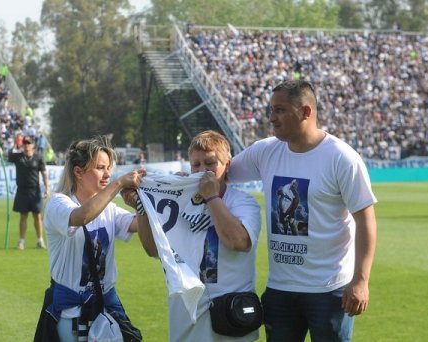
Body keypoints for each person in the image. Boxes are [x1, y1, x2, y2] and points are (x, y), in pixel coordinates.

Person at [228, 80, 378, 341]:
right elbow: (219, 173)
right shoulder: (265, 151)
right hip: (280, 289)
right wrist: (169, 184)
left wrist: (361, 281)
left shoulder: (341, 158)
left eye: (280, 110)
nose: (271, 118)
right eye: (271, 110)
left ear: (306, 112)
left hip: (329, 290)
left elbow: (366, 221)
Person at [133, 130, 262, 341]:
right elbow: (152, 249)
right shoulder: (179, 201)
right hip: (185, 313)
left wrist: (211, 197)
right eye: (196, 165)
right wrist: (142, 209)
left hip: (231, 314)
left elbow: (238, 241)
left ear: (227, 165)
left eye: (210, 163)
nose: (202, 171)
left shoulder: (243, 202)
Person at [39, 135, 146, 341]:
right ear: (78, 172)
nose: (107, 174)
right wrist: (117, 184)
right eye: (100, 168)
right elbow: (82, 216)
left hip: (105, 304)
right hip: (70, 310)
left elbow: (136, 225)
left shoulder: (109, 209)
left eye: (109, 168)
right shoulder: (58, 203)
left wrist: (138, 205)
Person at [7, 135, 51, 250]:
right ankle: (21, 241)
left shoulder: (38, 157)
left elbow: (44, 174)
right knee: (23, 216)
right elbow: (2, 154)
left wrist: (47, 188)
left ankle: (40, 240)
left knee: (37, 216)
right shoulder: (17, 157)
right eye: (25, 143)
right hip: (22, 190)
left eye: (29, 143)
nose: (27, 145)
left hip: (35, 190)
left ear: (33, 145)